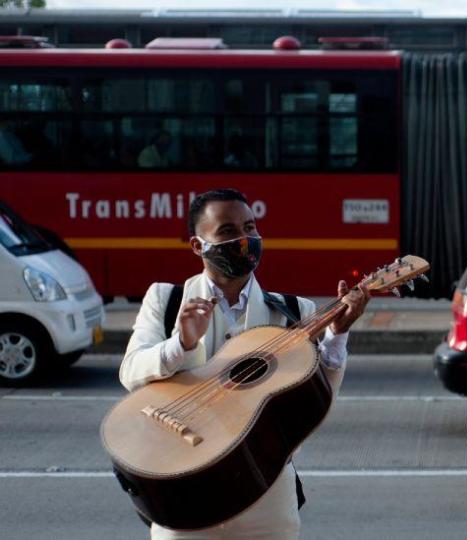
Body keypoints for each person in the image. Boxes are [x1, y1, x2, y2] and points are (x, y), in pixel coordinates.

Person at [120, 188, 370, 539]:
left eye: (250, 228)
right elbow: (130, 372)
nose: (244, 239)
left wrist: (336, 336)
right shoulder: (166, 300)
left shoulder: (296, 313)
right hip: (185, 491)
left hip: (265, 493)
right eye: (227, 232)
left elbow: (315, 403)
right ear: (197, 245)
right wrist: (182, 343)